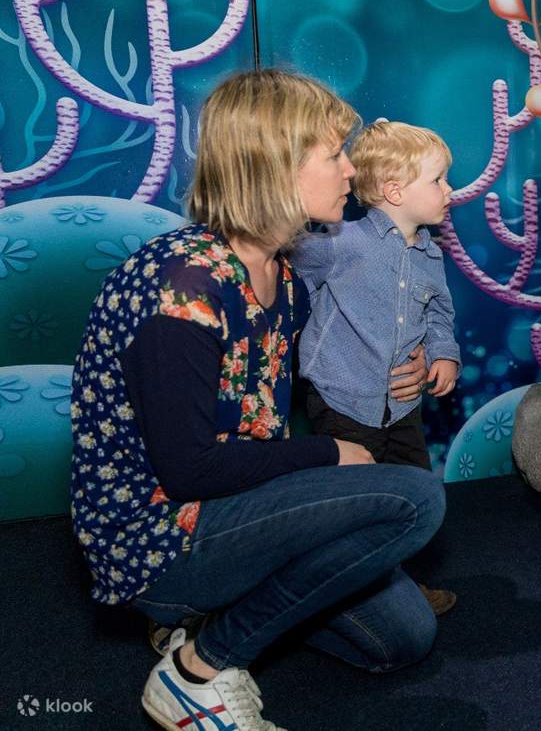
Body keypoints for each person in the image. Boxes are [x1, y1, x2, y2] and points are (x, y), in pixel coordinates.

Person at [69, 70, 444, 731]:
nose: (349, 167)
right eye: (333, 154)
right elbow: (187, 469)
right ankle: (197, 670)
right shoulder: (182, 290)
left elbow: (352, 328)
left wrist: (406, 364)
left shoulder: (286, 272)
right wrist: (328, 450)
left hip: (241, 505)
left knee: (401, 638)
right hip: (163, 541)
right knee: (416, 498)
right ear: (276, 168)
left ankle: (208, 616)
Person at [291, 120, 461, 471]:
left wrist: (443, 353)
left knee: (415, 486)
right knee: (353, 494)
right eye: (437, 180)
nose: (449, 190)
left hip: (402, 404)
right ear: (395, 192)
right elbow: (289, 268)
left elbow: (439, 313)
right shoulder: (343, 242)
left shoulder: (431, 256)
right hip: (341, 400)